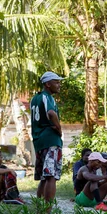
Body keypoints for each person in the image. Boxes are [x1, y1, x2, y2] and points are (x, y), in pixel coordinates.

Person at [31, 71, 64, 203]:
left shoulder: (35, 98)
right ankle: (47, 212)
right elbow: (51, 113)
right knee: (51, 176)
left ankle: (40, 210)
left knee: (44, 177)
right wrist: (59, 128)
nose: (59, 84)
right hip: (50, 139)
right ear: (47, 84)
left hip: (39, 140)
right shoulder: (47, 97)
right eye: (56, 82)